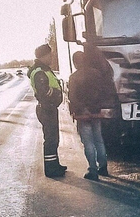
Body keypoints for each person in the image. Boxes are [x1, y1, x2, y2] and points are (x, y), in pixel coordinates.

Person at [68, 49, 117, 181]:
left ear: (75, 62)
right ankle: (103, 167)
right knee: (98, 139)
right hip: (96, 111)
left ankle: (92, 170)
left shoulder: (74, 78)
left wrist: (80, 109)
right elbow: (103, 91)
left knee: (88, 142)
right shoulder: (96, 74)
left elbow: (72, 97)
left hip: (83, 114)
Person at [28, 44, 67, 178]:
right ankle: (51, 169)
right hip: (46, 108)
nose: (51, 57)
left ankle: (55, 164)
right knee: (50, 139)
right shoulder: (39, 72)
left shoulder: (44, 70)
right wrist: (56, 92)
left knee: (54, 138)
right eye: (49, 55)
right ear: (43, 56)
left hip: (49, 108)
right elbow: (44, 91)